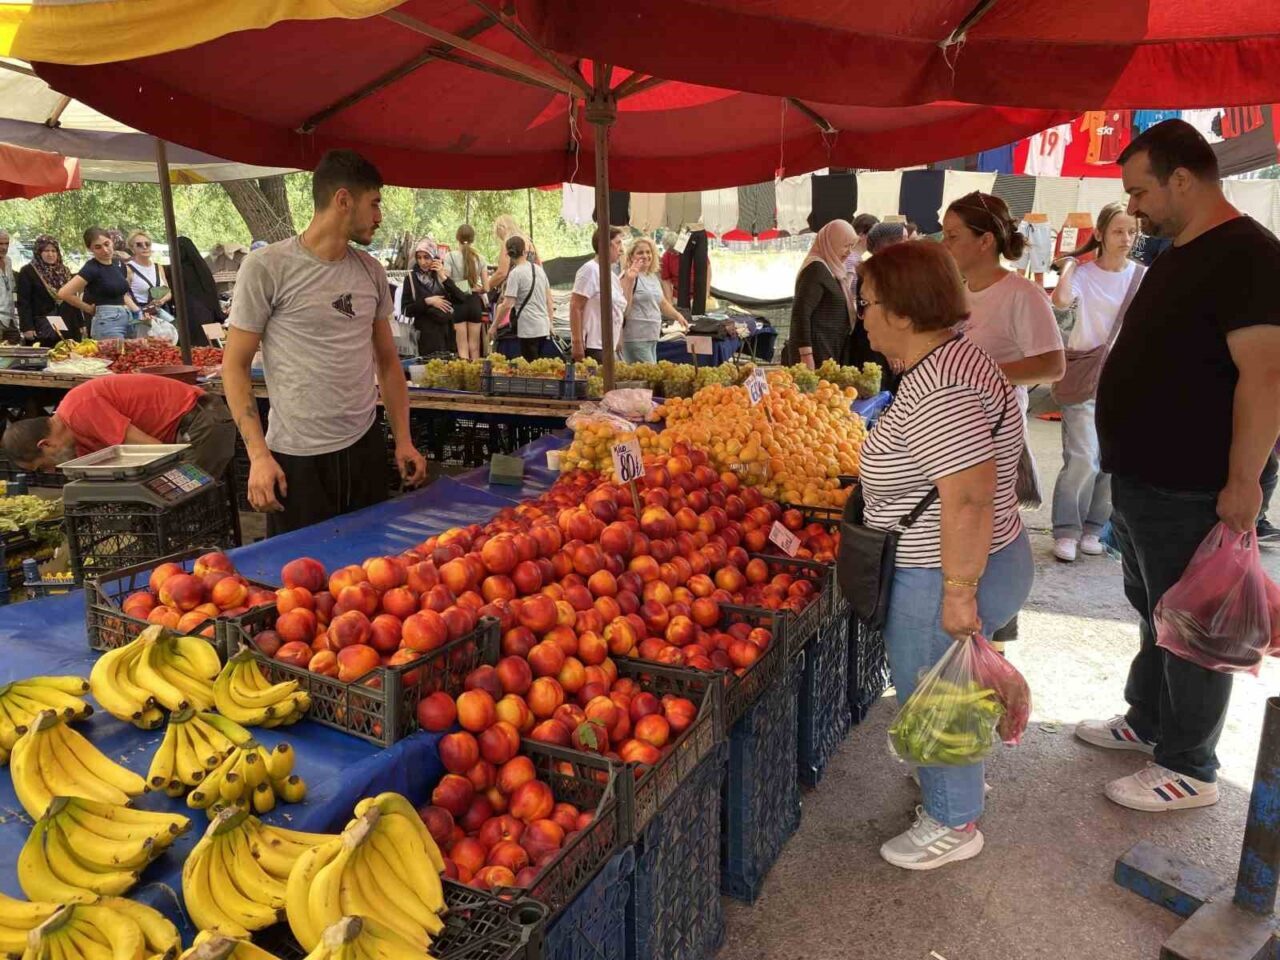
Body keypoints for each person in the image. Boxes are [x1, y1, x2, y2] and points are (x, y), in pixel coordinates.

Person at [1078, 119, 1280, 811]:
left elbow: (1266, 376)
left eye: (1139, 192)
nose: (1132, 208)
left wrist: (1244, 481)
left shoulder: (1250, 255)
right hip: (1144, 478)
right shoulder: (1180, 250)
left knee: (1195, 623)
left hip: (1196, 482)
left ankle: (1189, 766)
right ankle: (1148, 718)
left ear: (1184, 179)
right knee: (1154, 608)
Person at [856, 241, 1029, 870]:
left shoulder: (941, 389)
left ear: (902, 313)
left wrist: (958, 592)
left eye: (868, 302)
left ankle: (955, 822)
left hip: (944, 570)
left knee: (936, 693)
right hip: (975, 558)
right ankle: (957, 783)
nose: (862, 315)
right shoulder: (954, 359)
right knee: (950, 688)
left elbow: (968, 500)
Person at [222, 149, 426, 536]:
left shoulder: (371, 272)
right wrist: (258, 455)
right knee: (301, 584)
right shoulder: (267, 267)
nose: (380, 217)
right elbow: (234, 366)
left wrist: (404, 441)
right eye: (375, 203)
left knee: (368, 574)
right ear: (343, 201)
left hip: (363, 448)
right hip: (296, 459)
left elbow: (387, 363)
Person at [942, 191, 1065, 650]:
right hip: (955, 431)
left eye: (954, 236)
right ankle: (965, 632)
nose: (946, 243)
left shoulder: (1021, 294)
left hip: (995, 435)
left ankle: (995, 638)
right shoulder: (957, 292)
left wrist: (984, 373)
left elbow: (1052, 365)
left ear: (985, 240)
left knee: (992, 531)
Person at [1049, 204, 1143, 562]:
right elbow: (1060, 302)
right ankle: (1066, 530)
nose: (1126, 239)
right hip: (1085, 375)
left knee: (1109, 460)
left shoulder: (1141, 276)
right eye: (1119, 231)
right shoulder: (1084, 276)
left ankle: (1094, 528)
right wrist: (1071, 263)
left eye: (1132, 232)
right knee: (1083, 457)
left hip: (1124, 378)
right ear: (1101, 234)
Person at [1, 373, 236, 479]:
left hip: (202, 422)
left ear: (46, 444)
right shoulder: (75, 439)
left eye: (43, 467)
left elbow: (157, 453)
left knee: (185, 491)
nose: (53, 472)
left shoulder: (80, 409)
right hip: (185, 429)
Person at [786, 219, 857, 369]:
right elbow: (801, 314)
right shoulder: (815, 269)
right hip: (816, 354)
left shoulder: (832, 269)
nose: (849, 252)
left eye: (852, 246)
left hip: (829, 349)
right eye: (845, 246)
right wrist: (806, 355)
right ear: (832, 243)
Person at [57, 227, 140, 340]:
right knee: (113, 356)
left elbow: (122, 295)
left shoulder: (118, 264)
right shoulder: (91, 268)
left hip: (127, 317)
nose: (105, 250)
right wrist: (88, 309)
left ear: (111, 241)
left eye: (107, 244)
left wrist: (138, 312)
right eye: (98, 247)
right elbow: (64, 293)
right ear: (90, 249)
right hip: (106, 321)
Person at [620, 237, 687, 364]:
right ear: (631, 256)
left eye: (648, 252)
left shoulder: (652, 277)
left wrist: (678, 316)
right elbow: (621, 306)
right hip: (635, 337)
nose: (645, 256)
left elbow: (661, 302)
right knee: (650, 376)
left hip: (652, 336)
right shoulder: (628, 276)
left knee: (648, 378)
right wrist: (629, 280)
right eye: (640, 253)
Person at [491, 236, 554, 361]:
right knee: (541, 367)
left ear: (508, 254)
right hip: (543, 326)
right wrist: (550, 323)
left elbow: (507, 304)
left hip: (528, 328)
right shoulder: (539, 270)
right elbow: (549, 300)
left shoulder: (516, 273)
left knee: (530, 368)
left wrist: (494, 325)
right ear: (525, 251)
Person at [570, 226, 627, 362]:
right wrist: (577, 342)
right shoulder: (589, 270)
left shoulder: (612, 276)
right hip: (593, 346)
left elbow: (620, 307)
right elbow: (575, 306)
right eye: (618, 243)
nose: (622, 249)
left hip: (608, 346)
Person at [401, 238, 464, 356]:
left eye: (426, 257)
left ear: (434, 257)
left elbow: (460, 298)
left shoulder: (442, 276)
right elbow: (405, 310)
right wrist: (427, 301)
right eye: (419, 257)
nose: (422, 262)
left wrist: (443, 276)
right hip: (424, 337)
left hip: (445, 336)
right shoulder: (411, 278)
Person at [16, 236, 82, 345]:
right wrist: (27, 327)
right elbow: (24, 302)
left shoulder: (64, 271)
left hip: (68, 324)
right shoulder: (28, 271)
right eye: (46, 250)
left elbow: (73, 299)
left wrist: (81, 323)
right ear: (38, 252)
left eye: (53, 250)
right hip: (41, 326)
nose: (50, 254)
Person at [444, 225, 489, 360]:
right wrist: (474, 288)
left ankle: (465, 379)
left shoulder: (450, 257)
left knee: (462, 347)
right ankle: (476, 379)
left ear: (457, 237)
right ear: (472, 239)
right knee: (474, 347)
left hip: (458, 304)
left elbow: (446, 280)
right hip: (475, 303)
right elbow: (486, 287)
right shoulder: (481, 259)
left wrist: (461, 287)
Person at [124, 230, 175, 339]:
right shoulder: (128, 268)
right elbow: (123, 294)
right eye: (139, 245)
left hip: (160, 313)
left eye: (147, 244)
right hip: (140, 316)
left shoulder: (158, 267)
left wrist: (161, 301)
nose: (144, 247)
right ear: (132, 248)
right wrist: (138, 311)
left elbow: (168, 291)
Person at [175, 236, 224, 347]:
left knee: (198, 351)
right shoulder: (201, 267)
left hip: (191, 316)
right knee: (215, 347)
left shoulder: (178, 270)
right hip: (209, 312)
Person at [659, 232, 681, 301]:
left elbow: (707, 269)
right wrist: (669, 300)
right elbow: (666, 280)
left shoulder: (691, 251)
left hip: (697, 294)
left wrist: (706, 292)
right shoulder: (666, 257)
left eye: (674, 249)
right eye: (670, 251)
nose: (673, 253)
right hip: (677, 295)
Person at [0, 230, 14, 333]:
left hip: (9, 318)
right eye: (0, 244)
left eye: (6, 244)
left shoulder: (8, 261)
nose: (4, 247)